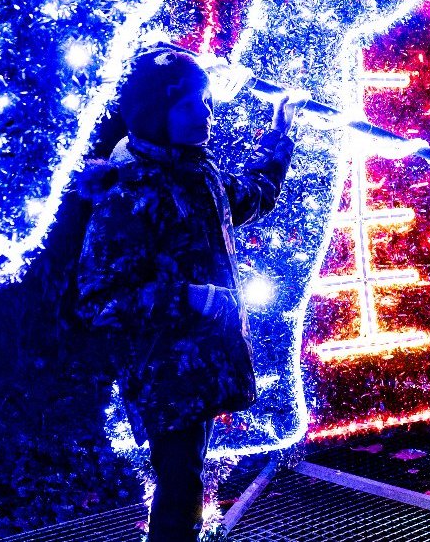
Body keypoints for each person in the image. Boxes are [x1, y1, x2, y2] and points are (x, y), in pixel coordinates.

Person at [75, 48, 298, 540]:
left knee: (185, 487)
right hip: (163, 376)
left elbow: (250, 196)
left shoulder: (197, 171)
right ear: (156, 113)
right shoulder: (128, 193)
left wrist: (281, 137)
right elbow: (96, 300)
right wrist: (187, 298)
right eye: (187, 106)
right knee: (179, 495)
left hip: (200, 367)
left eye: (204, 101)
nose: (204, 114)